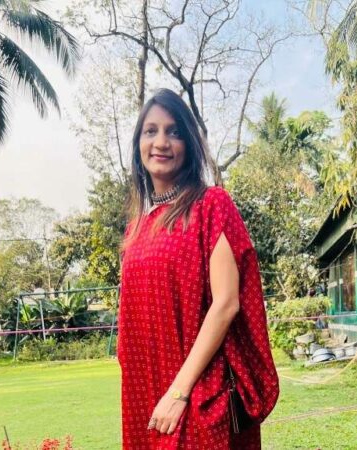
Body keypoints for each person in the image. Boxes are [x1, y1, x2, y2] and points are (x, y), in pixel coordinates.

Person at [118, 88, 279, 449]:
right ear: (138, 144)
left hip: (197, 392)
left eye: (174, 132)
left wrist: (179, 391)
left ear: (189, 144)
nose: (161, 141)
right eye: (151, 131)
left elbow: (226, 303)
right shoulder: (136, 228)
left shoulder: (211, 205)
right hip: (145, 391)